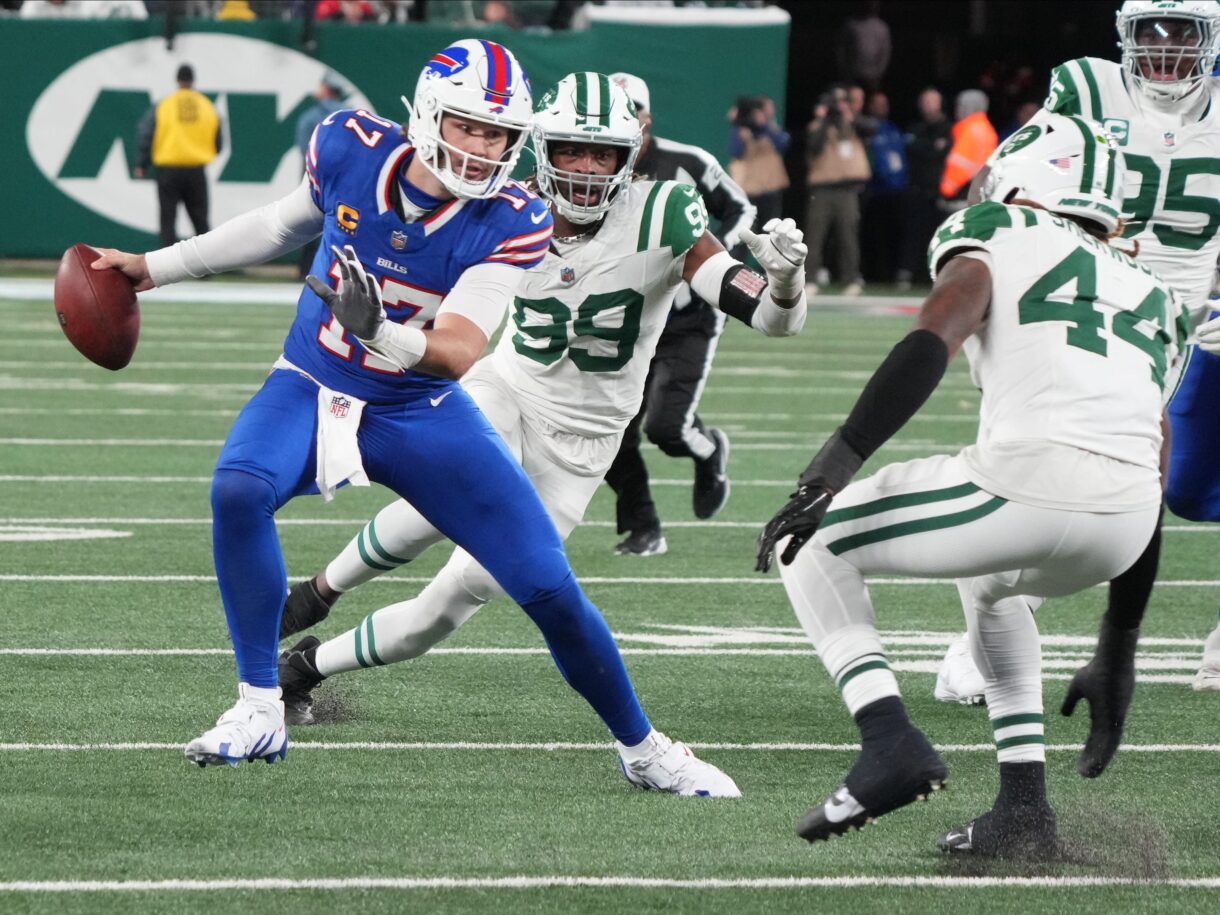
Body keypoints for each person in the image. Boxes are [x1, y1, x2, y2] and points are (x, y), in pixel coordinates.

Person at [91, 41, 739, 797]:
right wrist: (155, 266)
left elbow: (460, 348)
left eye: (498, 133)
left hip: (414, 407)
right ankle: (259, 706)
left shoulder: (513, 216)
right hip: (311, 380)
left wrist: (385, 334)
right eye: (468, 126)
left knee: (546, 584)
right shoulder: (349, 146)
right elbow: (277, 225)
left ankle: (645, 747)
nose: (483, 146)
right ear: (430, 114)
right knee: (237, 487)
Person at [275, 72, 807, 737]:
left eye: (602, 153)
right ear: (541, 147)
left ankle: (306, 664)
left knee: (450, 603)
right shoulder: (506, 206)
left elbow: (767, 313)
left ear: (630, 153)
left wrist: (784, 283)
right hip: (507, 388)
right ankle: (319, 590)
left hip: (583, 442)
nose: (585, 168)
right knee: (440, 497)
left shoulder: (665, 209)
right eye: (570, 150)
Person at [756, 114, 1188, 855]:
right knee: (993, 584)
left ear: (1027, 176)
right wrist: (1119, 646)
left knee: (813, 539)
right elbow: (1155, 453)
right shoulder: (1154, 292)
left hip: (1028, 484)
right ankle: (1024, 812)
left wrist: (838, 458)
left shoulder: (1001, 228)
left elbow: (934, 333)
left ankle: (887, 738)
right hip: (1125, 522)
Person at [936, 0, 1220, 702]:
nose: (1163, 48)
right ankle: (994, 627)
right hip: (1078, 301)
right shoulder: (1088, 88)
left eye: (1180, 32)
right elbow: (1003, 178)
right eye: (1149, 31)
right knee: (1028, 462)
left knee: (1147, 484)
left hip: (1181, 321)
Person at [602, 72, 757, 557]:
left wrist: (712, 256)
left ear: (647, 119)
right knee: (607, 432)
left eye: (630, 117)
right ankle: (644, 526)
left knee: (666, 430)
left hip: (687, 319)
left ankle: (708, 450)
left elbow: (742, 209)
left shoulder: (687, 162)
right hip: (623, 317)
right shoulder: (591, 166)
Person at [135, 64, 222, 249]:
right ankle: (205, 268)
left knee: (168, 219)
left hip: (169, 170)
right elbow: (218, 139)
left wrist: (142, 163)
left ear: (177, 80)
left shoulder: (165, 104)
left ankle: (167, 268)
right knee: (200, 220)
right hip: (196, 169)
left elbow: (146, 133)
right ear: (193, 80)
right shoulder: (206, 105)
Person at [804, 85, 870, 296]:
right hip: (822, 189)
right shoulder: (818, 126)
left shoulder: (852, 125)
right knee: (815, 235)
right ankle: (810, 278)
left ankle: (851, 278)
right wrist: (826, 120)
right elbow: (814, 146)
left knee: (848, 236)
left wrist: (848, 117)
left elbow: (873, 128)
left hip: (847, 190)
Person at [896, 87, 952, 290]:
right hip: (917, 190)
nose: (928, 106)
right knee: (913, 234)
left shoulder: (948, 128)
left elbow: (939, 152)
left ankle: (938, 274)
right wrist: (931, 147)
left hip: (941, 192)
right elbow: (912, 148)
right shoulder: (915, 128)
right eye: (925, 101)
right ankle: (906, 273)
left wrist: (925, 148)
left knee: (940, 235)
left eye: (932, 101)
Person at [294, 73, 347, 279]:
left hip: (313, 175)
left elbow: (303, 149)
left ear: (326, 89)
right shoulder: (348, 115)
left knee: (307, 222)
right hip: (344, 177)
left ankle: (304, 271)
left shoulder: (310, 116)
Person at [860, 90, 906, 284]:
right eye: (877, 104)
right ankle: (872, 274)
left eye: (884, 104)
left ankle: (890, 274)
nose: (881, 108)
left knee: (893, 235)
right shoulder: (866, 128)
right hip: (874, 191)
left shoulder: (893, 129)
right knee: (872, 236)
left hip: (895, 191)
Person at [728, 94, 791, 229]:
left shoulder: (771, 129)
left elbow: (782, 145)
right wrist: (740, 126)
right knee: (746, 233)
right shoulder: (740, 130)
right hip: (747, 189)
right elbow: (736, 152)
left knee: (770, 231)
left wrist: (764, 127)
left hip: (770, 188)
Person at [938, 89, 997, 204]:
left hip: (961, 195)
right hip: (978, 191)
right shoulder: (987, 129)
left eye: (960, 105)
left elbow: (959, 165)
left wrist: (946, 190)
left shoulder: (969, 129)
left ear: (969, 106)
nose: (957, 109)